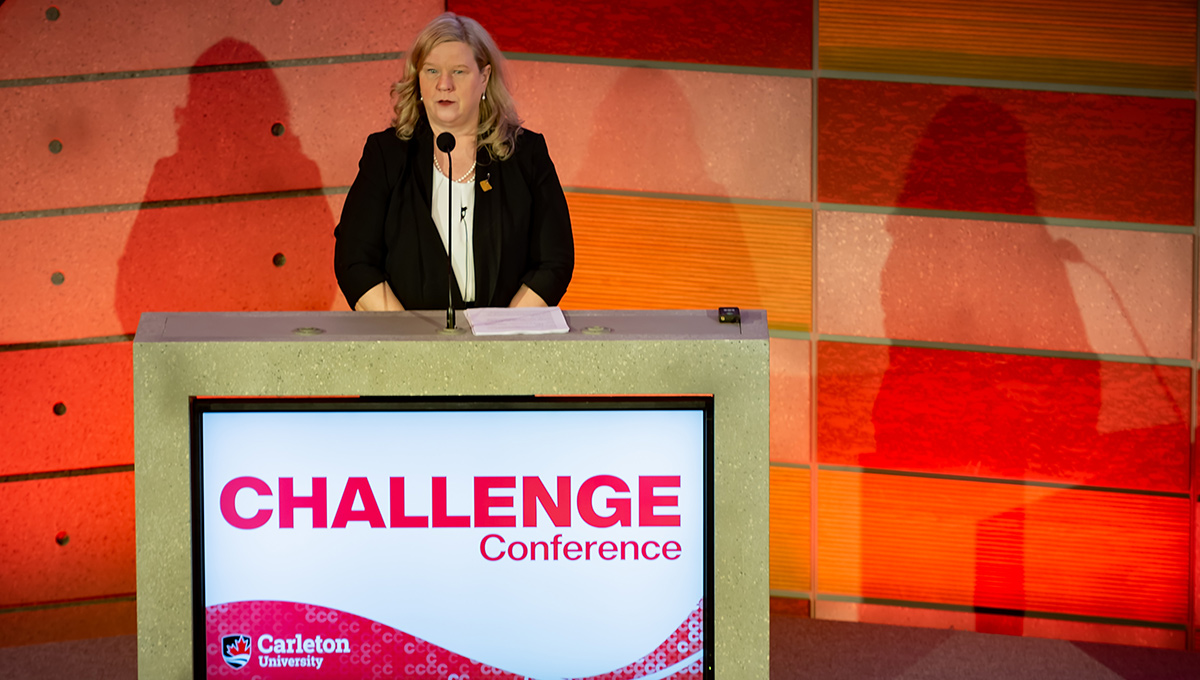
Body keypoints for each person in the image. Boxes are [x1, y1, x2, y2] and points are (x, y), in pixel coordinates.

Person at [334, 12, 573, 312]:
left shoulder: (526, 154)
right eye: (432, 71)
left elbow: (554, 261)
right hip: (407, 336)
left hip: (503, 337)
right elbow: (354, 261)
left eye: (458, 72)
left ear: (484, 78)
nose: (444, 84)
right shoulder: (387, 154)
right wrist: (404, 334)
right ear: (418, 78)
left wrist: (507, 331)